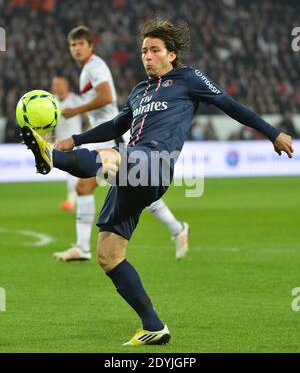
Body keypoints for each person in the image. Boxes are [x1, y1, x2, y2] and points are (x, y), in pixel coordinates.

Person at [20, 19, 293, 346]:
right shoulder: (138, 92)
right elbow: (114, 124)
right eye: (144, 51)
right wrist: (74, 139)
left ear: (172, 55)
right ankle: (154, 326)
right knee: (108, 254)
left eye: (154, 51)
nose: (147, 57)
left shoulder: (188, 79)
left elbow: (228, 105)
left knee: (111, 155)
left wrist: (272, 133)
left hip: (156, 161)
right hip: (133, 170)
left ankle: (50, 157)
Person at [53, 26, 189, 262]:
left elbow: (107, 97)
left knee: (88, 188)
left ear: (90, 46)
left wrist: (76, 111)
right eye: (72, 45)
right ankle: (177, 229)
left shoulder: (94, 67)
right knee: (138, 191)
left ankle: (83, 247)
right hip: (108, 136)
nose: (76, 49)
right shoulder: (87, 69)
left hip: (113, 139)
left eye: (80, 44)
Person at [51, 76, 87, 212]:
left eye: (58, 84)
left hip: (74, 142)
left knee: (72, 172)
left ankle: (73, 202)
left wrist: (85, 135)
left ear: (66, 85)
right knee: (71, 173)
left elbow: (86, 117)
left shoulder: (75, 100)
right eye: (54, 84)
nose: (56, 86)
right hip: (60, 143)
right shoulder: (51, 101)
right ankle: (73, 201)